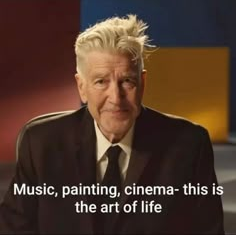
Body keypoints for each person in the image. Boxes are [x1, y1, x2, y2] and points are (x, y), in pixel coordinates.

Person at [0, 14, 224, 234]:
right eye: (101, 82)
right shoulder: (41, 142)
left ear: (142, 82)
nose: (116, 98)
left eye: (127, 81)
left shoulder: (189, 145)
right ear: (81, 87)